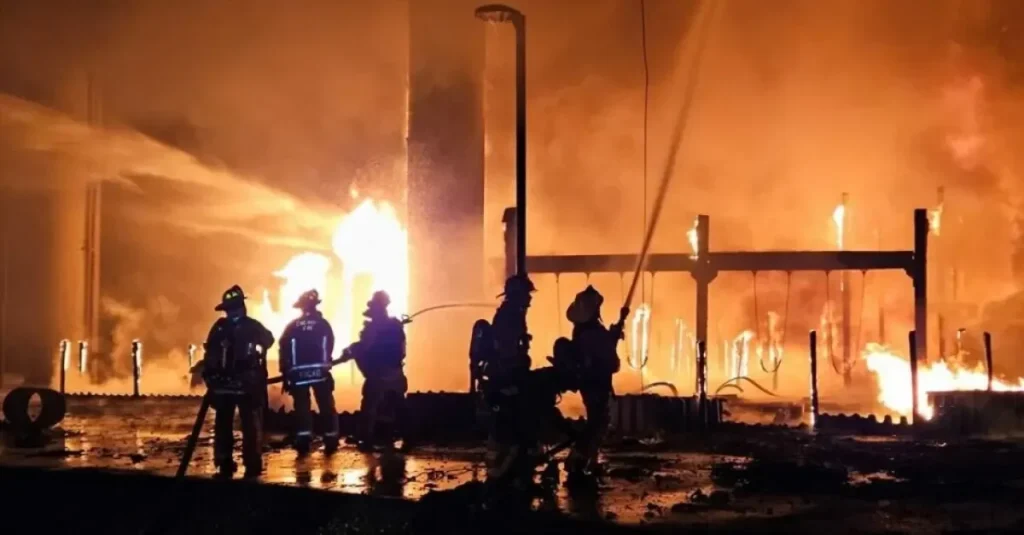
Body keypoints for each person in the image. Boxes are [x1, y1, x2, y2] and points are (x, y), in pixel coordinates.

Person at [202, 285, 275, 478]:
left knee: (223, 422)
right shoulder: (252, 326)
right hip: (246, 384)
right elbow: (269, 340)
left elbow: (209, 353)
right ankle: (251, 463)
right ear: (243, 306)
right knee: (250, 423)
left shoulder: (219, 327)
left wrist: (211, 379)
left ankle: (224, 460)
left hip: (224, 385)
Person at [564, 285, 627, 482]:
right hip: (595, 382)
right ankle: (578, 460)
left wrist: (617, 327)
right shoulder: (590, 332)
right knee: (597, 422)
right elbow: (605, 351)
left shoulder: (587, 330)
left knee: (598, 420)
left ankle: (589, 460)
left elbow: (606, 344)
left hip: (594, 381)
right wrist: (615, 332)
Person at [342, 290, 407, 450]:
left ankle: (366, 438)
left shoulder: (373, 328)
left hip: (378, 375)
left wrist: (351, 350)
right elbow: (402, 350)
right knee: (397, 406)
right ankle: (405, 435)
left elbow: (365, 346)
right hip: (396, 373)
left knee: (370, 406)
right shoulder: (396, 326)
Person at [279, 289, 339, 456]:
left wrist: (285, 371)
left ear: (302, 307)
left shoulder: (292, 326)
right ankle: (331, 439)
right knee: (326, 406)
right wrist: (325, 364)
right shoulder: (323, 324)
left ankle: (303, 440)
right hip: (320, 372)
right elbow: (329, 345)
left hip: (298, 375)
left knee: (302, 408)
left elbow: (283, 349)